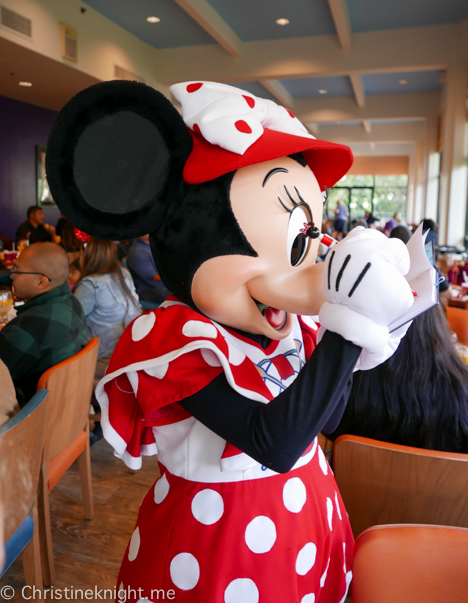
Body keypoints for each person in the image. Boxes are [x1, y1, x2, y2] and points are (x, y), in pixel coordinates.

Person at [47, 80, 414, 603]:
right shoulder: (170, 337)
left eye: (307, 239)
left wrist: (369, 323)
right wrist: (348, 323)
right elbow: (274, 442)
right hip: (216, 546)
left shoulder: (287, 322)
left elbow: (325, 423)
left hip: (308, 520)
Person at [327, 304, 468, 453]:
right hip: (439, 475)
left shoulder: (343, 389)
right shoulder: (461, 392)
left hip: (352, 473)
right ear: (437, 325)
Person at [0, 242, 87, 403]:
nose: (12, 276)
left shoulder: (25, 329)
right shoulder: (74, 302)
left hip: (30, 416)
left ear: (41, 282)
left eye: (17, 271)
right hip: (68, 405)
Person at [74, 238, 141, 374]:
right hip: (134, 345)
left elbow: (71, 319)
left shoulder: (90, 285)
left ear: (88, 255)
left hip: (107, 355)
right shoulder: (122, 271)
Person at [126, 235, 169, 306]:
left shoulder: (154, 244)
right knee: (183, 295)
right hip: (148, 289)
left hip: (163, 283)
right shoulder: (138, 253)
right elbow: (154, 277)